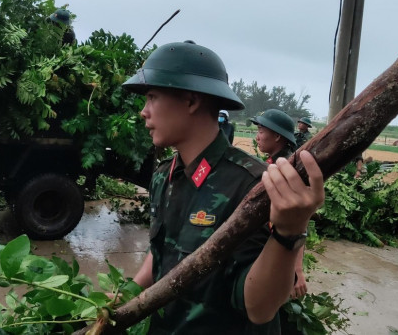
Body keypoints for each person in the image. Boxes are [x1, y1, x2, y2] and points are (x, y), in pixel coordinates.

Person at [123, 40, 324, 334]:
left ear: (191, 102)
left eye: (152, 96)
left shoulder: (253, 184)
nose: (144, 111)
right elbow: (158, 254)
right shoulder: (163, 176)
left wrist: (290, 233)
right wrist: (116, 304)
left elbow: (259, 308)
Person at [250, 109, 307, 335]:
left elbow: (298, 221)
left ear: (277, 137)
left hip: (281, 248)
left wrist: (297, 271)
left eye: (261, 131)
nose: (257, 136)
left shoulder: (286, 170)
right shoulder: (273, 163)